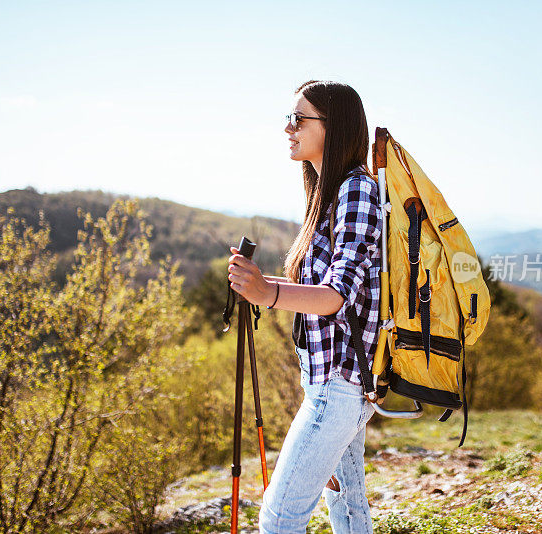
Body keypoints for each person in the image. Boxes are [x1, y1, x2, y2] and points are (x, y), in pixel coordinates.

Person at [226, 79, 382, 533]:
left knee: (278, 517)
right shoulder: (329, 194)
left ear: (333, 126)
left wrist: (267, 293)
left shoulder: (356, 191)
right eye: (288, 119)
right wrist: (258, 284)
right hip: (335, 383)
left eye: (299, 118)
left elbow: (336, 294)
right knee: (348, 506)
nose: (288, 128)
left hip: (339, 386)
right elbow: (322, 289)